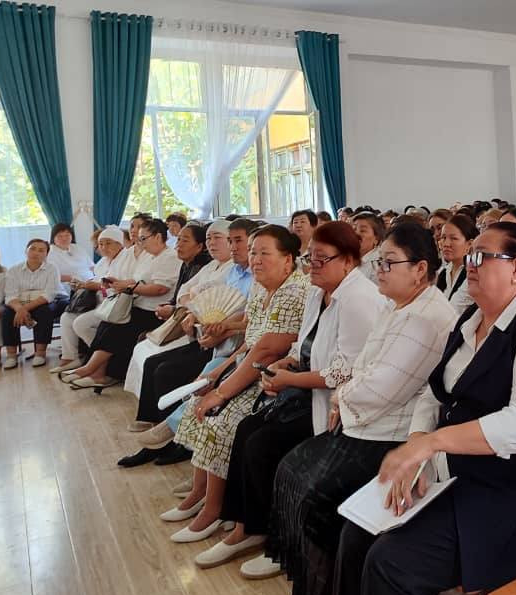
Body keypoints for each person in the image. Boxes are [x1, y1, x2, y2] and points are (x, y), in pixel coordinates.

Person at [354, 221, 516, 595]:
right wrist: (417, 446)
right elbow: (434, 394)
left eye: (482, 256)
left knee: (392, 563)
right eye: (471, 255)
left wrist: (432, 444)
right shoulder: (472, 319)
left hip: (514, 490)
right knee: (357, 532)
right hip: (456, 475)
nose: (469, 264)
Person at [239, 223, 456, 595]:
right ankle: (313, 587)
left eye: (388, 263)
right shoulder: (398, 305)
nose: (379, 271)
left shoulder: (424, 318)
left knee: (313, 496)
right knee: (290, 471)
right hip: (366, 419)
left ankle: (326, 588)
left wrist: (341, 397)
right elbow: (363, 366)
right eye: (379, 262)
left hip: (388, 433)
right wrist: (343, 391)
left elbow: (379, 386)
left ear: (420, 269)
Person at [192, 221, 386, 574]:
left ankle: (277, 540)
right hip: (306, 388)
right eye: (310, 258)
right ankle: (248, 525)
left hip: (338, 404)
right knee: (249, 429)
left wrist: (290, 378)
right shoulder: (318, 292)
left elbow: (346, 371)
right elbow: (302, 344)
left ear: (348, 261)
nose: (312, 266)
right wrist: (285, 363)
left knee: (263, 442)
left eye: (321, 259)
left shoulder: (358, 299)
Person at [165, 225, 308, 544]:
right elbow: (250, 341)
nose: (255, 259)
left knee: (221, 418)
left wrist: (222, 391)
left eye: (264, 253)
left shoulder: (295, 291)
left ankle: (214, 509)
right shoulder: (260, 285)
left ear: (288, 259)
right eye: (253, 252)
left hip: (273, 379)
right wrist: (217, 374)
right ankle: (201, 492)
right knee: (198, 400)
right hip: (249, 366)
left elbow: (268, 350)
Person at [123, 218, 258, 468]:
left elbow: (249, 321)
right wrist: (196, 316)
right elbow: (196, 297)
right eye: (224, 240)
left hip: (230, 345)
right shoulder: (230, 271)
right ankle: (163, 436)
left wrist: (220, 329)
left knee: (174, 372)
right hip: (212, 339)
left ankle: (175, 439)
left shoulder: (254, 275)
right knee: (155, 362)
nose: (232, 246)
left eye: (235, 241)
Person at [61, 219, 181, 388]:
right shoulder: (149, 257)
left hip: (154, 311)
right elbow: (136, 280)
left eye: (143, 238)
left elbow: (160, 288)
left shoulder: (169, 257)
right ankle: (97, 372)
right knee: (106, 323)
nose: (140, 243)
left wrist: (129, 287)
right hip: (137, 306)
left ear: (158, 237)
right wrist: (118, 283)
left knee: (116, 328)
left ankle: (90, 368)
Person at [123, 221, 224, 404]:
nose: (178, 245)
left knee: (158, 363)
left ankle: (158, 413)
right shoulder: (202, 266)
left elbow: (203, 301)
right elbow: (184, 292)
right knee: (141, 345)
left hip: (198, 330)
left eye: (185, 240)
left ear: (198, 247)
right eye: (178, 240)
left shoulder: (207, 265)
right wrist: (177, 305)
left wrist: (180, 307)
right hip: (182, 318)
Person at [53, 225, 128, 373]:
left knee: (81, 323)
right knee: (67, 317)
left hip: (114, 305)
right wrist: (83, 284)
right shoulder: (103, 261)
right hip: (97, 302)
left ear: (119, 243)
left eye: (108, 243)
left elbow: (117, 286)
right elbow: (97, 278)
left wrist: (95, 286)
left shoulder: (125, 260)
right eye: (101, 244)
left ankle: (101, 362)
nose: (103, 247)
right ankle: (70, 357)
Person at [0, 239, 61, 369]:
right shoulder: (14, 270)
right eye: (32, 249)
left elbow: (49, 295)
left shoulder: (52, 269)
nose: (36, 253)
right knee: (7, 313)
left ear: (46, 254)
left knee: (44, 311)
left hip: (41, 302)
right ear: (26, 251)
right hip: (19, 302)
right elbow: (10, 295)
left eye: (41, 250)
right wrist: (19, 309)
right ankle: (11, 355)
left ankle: (40, 353)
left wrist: (24, 309)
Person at [46, 222, 93, 312]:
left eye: (67, 235)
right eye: (60, 236)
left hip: (89, 282)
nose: (64, 238)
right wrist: (72, 278)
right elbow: (50, 275)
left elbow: (92, 266)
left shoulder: (77, 248)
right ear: (53, 238)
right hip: (69, 286)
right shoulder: (50, 253)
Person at [437, 214, 477, 315]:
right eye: (443, 237)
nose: (446, 244)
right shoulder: (444, 272)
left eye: (453, 238)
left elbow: (452, 312)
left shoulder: (473, 273)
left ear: (469, 244)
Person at [352, 213, 385, 285]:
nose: (355, 233)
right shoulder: (347, 258)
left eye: (362, 230)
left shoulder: (379, 265)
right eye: (354, 229)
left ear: (376, 238)